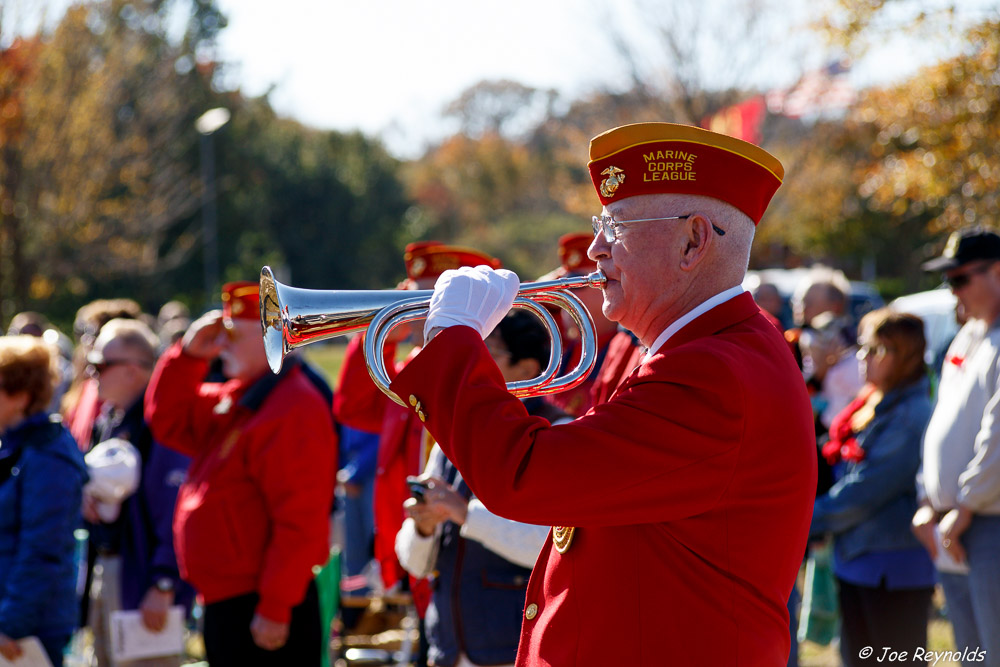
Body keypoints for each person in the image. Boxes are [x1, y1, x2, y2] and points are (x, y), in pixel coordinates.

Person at [388, 122, 817, 665]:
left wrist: (454, 340)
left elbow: (524, 474)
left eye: (615, 226)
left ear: (694, 240)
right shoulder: (701, 352)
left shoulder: (713, 374)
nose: (594, 248)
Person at [144, 281, 337, 666]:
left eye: (232, 335)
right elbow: (167, 420)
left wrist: (275, 606)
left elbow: (300, 521)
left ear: (270, 339)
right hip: (234, 602)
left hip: (260, 605)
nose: (221, 345)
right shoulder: (242, 396)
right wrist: (186, 356)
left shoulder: (293, 407)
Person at [395, 310, 565, 667]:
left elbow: (555, 547)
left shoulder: (558, 433)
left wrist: (463, 513)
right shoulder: (453, 433)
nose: (474, 360)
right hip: (446, 648)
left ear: (527, 370)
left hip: (515, 651)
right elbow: (414, 563)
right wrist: (424, 527)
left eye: (488, 350)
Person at [810, 309, 935, 665]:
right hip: (858, 560)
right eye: (863, 348)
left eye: (878, 350)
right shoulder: (872, 402)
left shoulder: (911, 416)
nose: (864, 358)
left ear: (906, 357)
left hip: (893, 569)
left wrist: (807, 518)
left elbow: (864, 492)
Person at [81, 319, 193, 667]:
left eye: (100, 365)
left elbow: (176, 511)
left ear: (132, 370)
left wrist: (163, 584)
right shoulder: (113, 419)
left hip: (144, 578)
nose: (91, 372)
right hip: (112, 566)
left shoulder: (159, 423)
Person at [913, 226, 1000, 661]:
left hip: (987, 523)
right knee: (971, 655)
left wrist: (963, 506)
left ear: (997, 271)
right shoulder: (968, 336)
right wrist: (928, 498)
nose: (952, 293)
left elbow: (998, 437)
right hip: (956, 522)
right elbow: (940, 423)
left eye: (960, 279)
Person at [0, 335, 89, 666]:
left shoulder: (48, 456)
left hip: (27, 629)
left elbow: (42, 550)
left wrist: (10, 624)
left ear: (21, 397)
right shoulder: (15, 446)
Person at [537, 233, 620, 417]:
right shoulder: (568, 343)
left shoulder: (629, 348)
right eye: (561, 287)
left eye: (575, 284)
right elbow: (522, 298)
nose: (563, 296)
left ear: (607, 285)